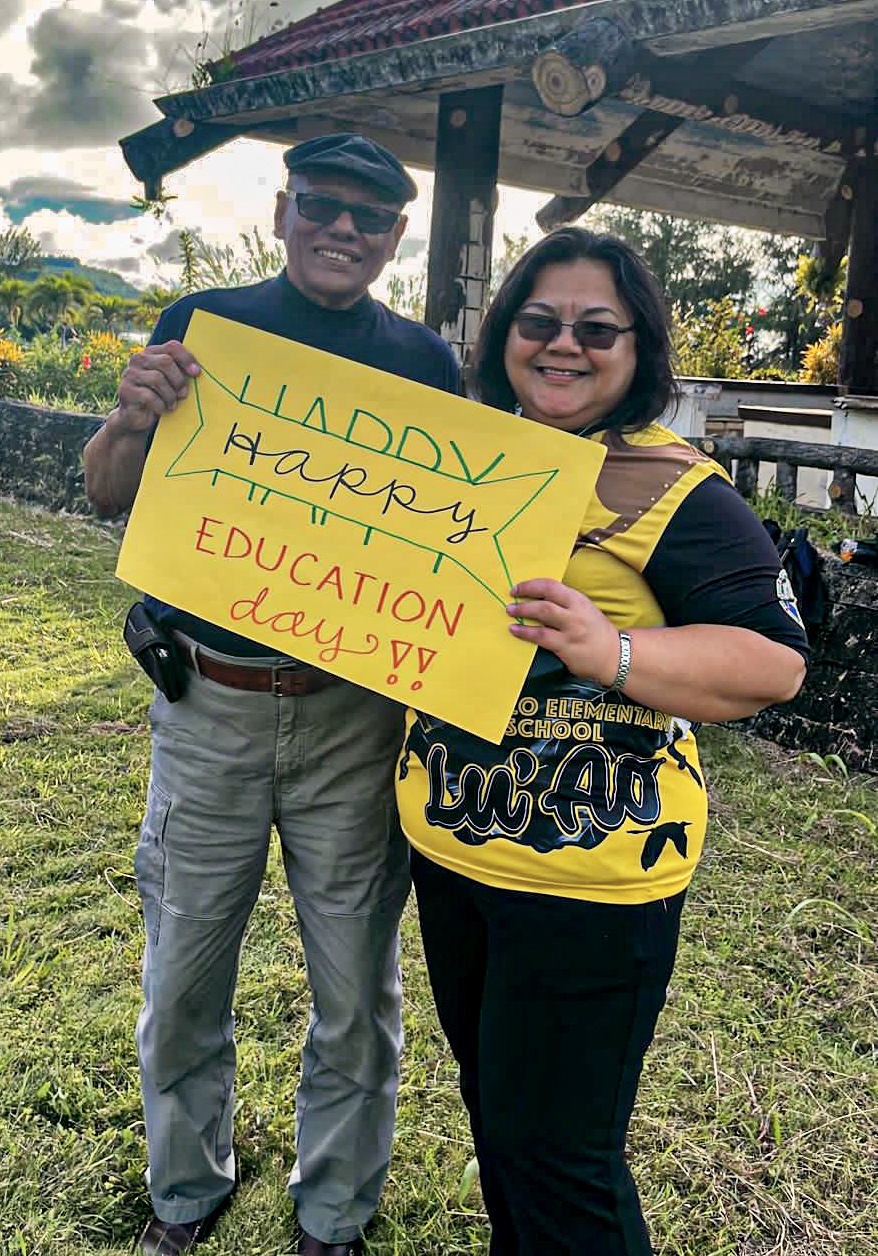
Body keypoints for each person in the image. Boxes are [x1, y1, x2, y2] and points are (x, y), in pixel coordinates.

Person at [395, 227, 809, 1255]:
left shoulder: (672, 486)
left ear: (637, 348)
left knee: (562, 1159)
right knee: (499, 1119)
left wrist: (610, 647)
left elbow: (774, 662)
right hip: (452, 854)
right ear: (503, 337)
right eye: (538, 322)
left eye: (594, 327)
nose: (561, 344)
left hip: (589, 883)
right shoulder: (465, 459)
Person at [83, 133, 462, 1256]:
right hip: (208, 704)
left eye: (368, 216)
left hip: (354, 714)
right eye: (321, 206)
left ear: (396, 234)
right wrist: (131, 414)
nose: (341, 229)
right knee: (187, 968)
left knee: (356, 983)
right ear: (285, 208)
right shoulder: (201, 327)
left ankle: (334, 1209)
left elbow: (447, 547)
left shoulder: (428, 366)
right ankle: (184, 1189)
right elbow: (108, 494)